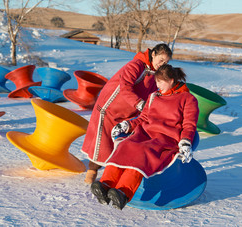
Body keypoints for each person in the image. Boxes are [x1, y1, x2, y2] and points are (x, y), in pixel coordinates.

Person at [90, 64, 199, 210]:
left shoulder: (188, 99)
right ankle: (105, 184)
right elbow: (143, 118)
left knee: (142, 153)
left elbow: (189, 124)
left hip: (166, 139)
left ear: (171, 80)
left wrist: (185, 142)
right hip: (145, 134)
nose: (157, 85)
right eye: (157, 81)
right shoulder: (154, 96)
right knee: (125, 146)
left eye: (161, 82)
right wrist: (127, 125)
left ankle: (123, 192)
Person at [82, 44, 172, 184]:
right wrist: (140, 104)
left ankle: (113, 175)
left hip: (129, 113)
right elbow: (125, 87)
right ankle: (92, 172)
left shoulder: (155, 74)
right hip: (110, 107)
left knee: (120, 143)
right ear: (153, 54)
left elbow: (156, 93)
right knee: (102, 142)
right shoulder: (136, 65)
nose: (162, 64)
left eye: (166, 62)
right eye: (161, 60)